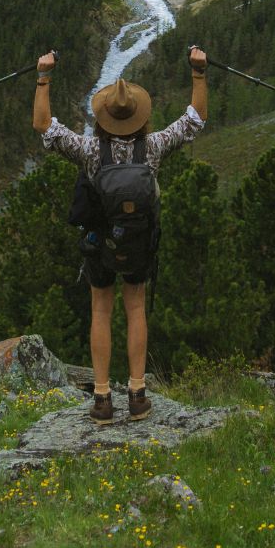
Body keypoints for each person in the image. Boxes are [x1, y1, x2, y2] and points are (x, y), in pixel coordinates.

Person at [33, 45, 208, 424]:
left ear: (103, 118)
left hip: (101, 244)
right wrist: (198, 72)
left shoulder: (92, 150)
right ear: (139, 118)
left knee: (101, 309)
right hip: (140, 243)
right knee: (135, 309)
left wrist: (44, 76)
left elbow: (44, 126)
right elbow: (195, 120)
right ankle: (137, 393)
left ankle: (101, 399)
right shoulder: (154, 147)